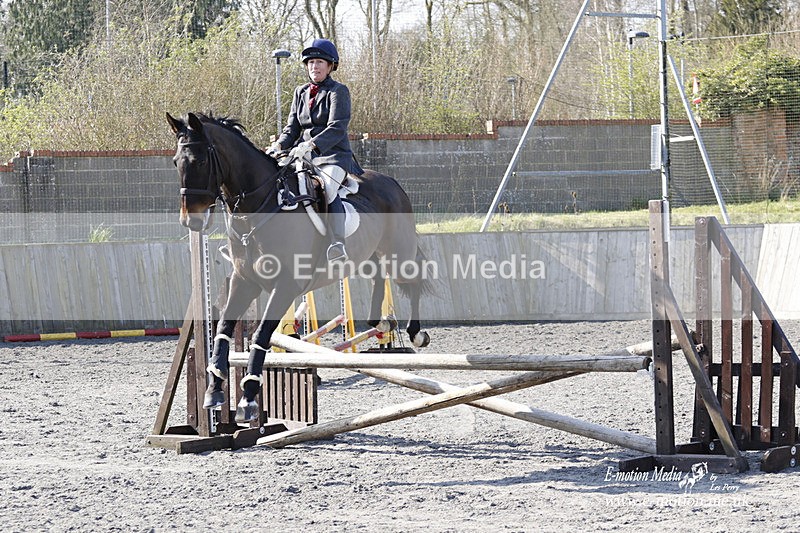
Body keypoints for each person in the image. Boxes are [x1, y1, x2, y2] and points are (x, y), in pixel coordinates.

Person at [267, 38, 362, 262]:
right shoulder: (300, 92)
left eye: (319, 62)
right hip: (301, 154)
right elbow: (292, 127)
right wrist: (279, 145)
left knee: (328, 188)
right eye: (310, 62)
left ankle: (337, 244)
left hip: (332, 155)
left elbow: (337, 128)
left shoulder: (339, 91)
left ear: (330, 66)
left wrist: (311, 145)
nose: (314, 66)